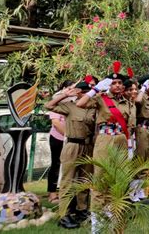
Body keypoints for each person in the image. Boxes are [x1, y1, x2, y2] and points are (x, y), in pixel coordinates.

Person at [76, 62, 132, 216]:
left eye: (120, 83)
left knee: (118, 175)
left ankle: (112, 208)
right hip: (105, 138)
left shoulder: (126, 102)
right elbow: (80, 104)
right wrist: (95, 89)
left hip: (121, 138)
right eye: (114, 83)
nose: (118, 85)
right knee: (100, 175)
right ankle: (96, 214)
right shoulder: (101, 99)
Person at [45, 80, 96, 229]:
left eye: (90, 92)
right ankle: (64, 215)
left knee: (85, 180)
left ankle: (82, 210)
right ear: (79, 93)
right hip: (72, 145)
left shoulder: (94, 108)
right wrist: (63, 95)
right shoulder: (70, 106)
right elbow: (48, 106)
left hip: (88, 145)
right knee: (68, 180)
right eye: (86, 92)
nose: (88, 94)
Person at [47, 80, 72, 204]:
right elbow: (56, 123)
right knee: (56, 164)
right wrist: (68, 135)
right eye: (68, 88)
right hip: (58, 138)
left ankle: (67, 193)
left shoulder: (75, 103)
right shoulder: (57, 101)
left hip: (72, 140)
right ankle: (52, 193)